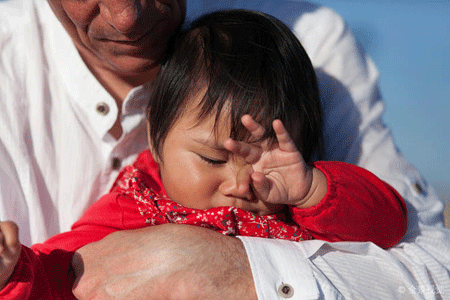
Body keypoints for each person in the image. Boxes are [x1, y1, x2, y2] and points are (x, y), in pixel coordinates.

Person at [0, 0, 448, 299]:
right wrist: (14, 271)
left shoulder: (291, 199)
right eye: (213, 159)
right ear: (155, 140)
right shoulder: (137, 201)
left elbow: (395, 229)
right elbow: (57, 270)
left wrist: (312, 190)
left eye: (259, 160)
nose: (239, 183)